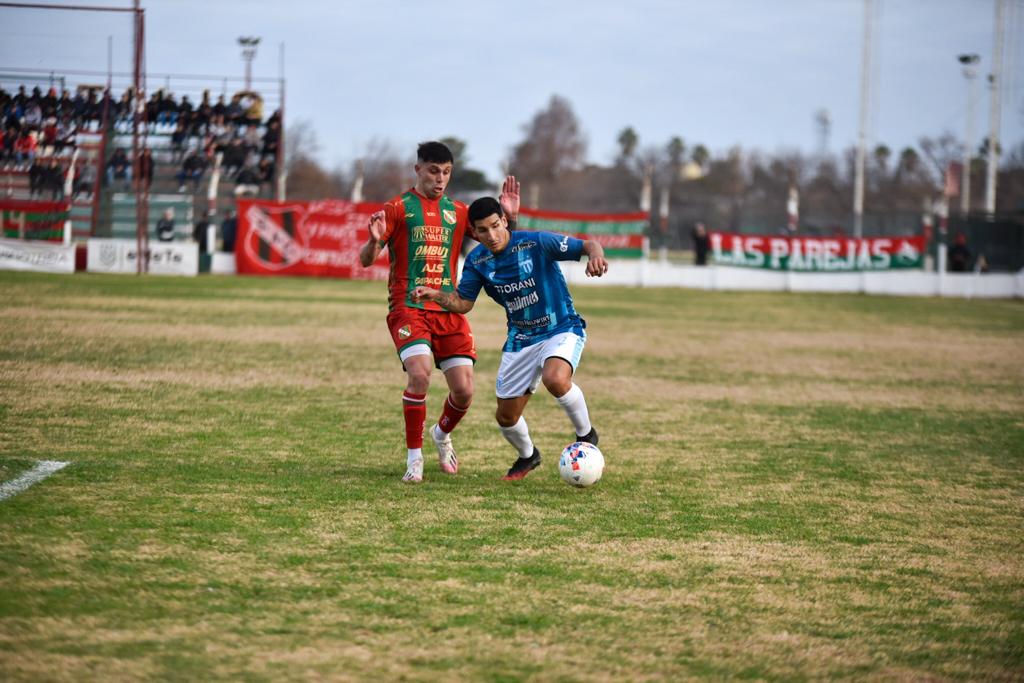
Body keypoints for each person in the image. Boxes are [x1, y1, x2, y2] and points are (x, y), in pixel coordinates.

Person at [412, 196, 609, 481]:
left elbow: (589, 245)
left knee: (556, 379)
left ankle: (586, 435)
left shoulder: (537, 242)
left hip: (560, 327)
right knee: (505, 417)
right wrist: (436, 296)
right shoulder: (478, 261)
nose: (491, 235)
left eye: (495, 226)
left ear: (504, 220)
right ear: (475, 232)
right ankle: (529, 456)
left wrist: (596, 256)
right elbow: (463, 303)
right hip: (520, 339)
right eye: (483, 230)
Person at [358, 140, 519, 483]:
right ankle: (414, 459)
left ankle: (441, 435)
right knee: (420, 374)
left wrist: (511, 219)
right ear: (418, 169)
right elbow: (365, 260)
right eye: (433, 171)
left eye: (446, 172)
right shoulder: (397, 208)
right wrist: (374, 242)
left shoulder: (459, 212)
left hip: (447, 308)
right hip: (409, 307)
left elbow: (499, 244)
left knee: (464, 391)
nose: (440, 178)